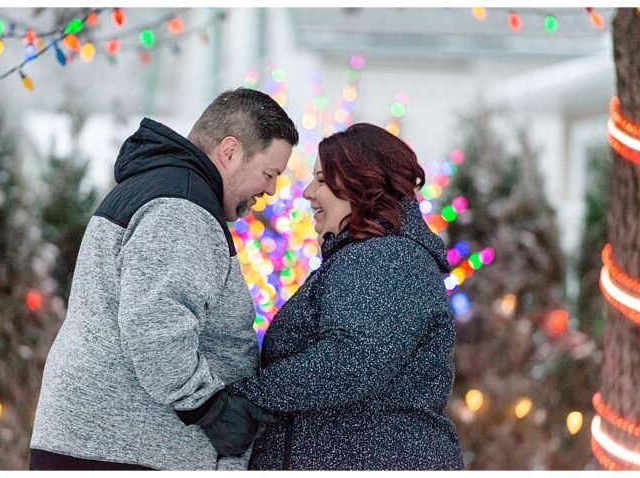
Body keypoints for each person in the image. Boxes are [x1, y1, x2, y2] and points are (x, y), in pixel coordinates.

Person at [29, 87, 299, 470]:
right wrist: (210, 408)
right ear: (230, 151)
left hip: (103, 442)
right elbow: (156, 325)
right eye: (268, 173)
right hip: (125, 449)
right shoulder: (182, 208)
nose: (270, 190)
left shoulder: (158, 189)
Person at [226, 123, 465, 470]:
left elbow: (353, 359)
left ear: (361, 185)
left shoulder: (389, 259)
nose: (308, 192)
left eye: (322, 180)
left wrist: (247, 398)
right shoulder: (364, 258)